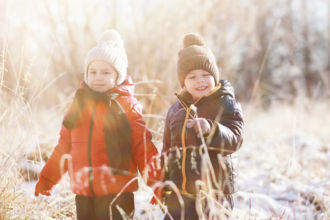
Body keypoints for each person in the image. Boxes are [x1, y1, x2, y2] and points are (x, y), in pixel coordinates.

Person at [35, 30, 160, 220]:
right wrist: (47, 178)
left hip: (117, 192)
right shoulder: (79, 105)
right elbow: (64, 147)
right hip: (84, 192)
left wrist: (158, 182)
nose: (98, 77)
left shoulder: (127, 106)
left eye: (105, 72)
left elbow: (142, 146)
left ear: (118, 76)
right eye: (92, 72)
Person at [159, 33, 244, 220]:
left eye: (206, 75)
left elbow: (235, 139)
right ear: (183, 82)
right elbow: (167, 149)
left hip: (215, 190)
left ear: (214, 76)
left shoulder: (226, 103)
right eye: (192, 76)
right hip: (181, 190)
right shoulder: (175, 110)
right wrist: (163, 184)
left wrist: (210, 129)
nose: (200, 80)